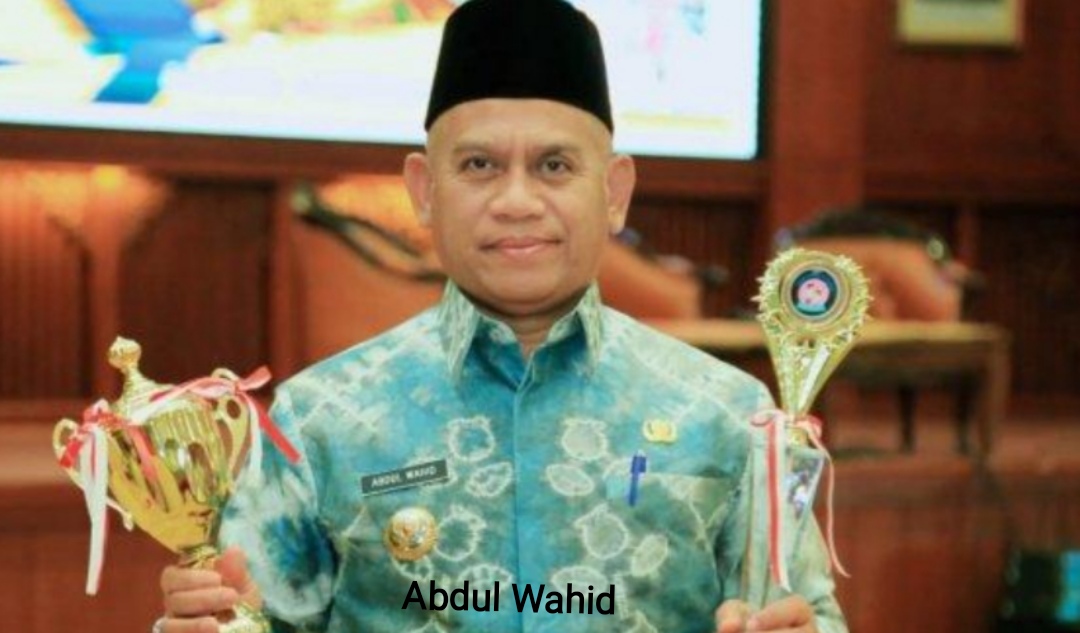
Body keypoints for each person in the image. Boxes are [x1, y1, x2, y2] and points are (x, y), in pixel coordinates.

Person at [156, 1, 848, 631]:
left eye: (554, 166)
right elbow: (247, 617)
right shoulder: (320, 420)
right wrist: (201, 624)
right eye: (480, 165)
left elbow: (807, 612)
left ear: (615, 193)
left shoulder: (727, 415)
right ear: (425, 190)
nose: (517, 201)